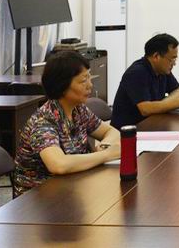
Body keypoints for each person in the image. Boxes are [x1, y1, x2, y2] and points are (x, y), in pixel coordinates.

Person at [14, 51, 120, 195]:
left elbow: (110, 131)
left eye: (89, 77)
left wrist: (103, 147)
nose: (90, 85)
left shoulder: (78, 109)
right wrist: (106, 155)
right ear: (62, 86)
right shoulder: (43, 121)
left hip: (74, 184)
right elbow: (58, 164)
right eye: (83, 81)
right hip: (40, 197)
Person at [110, 33, 179, 129]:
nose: (174, 64)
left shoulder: (162, 70)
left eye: (175, 59)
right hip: (128, 132)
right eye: (171, 59)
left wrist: (162, 105)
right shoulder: (137, 72)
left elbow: (177, 91)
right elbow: (145, 109)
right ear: (156, 56)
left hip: (151, 124)